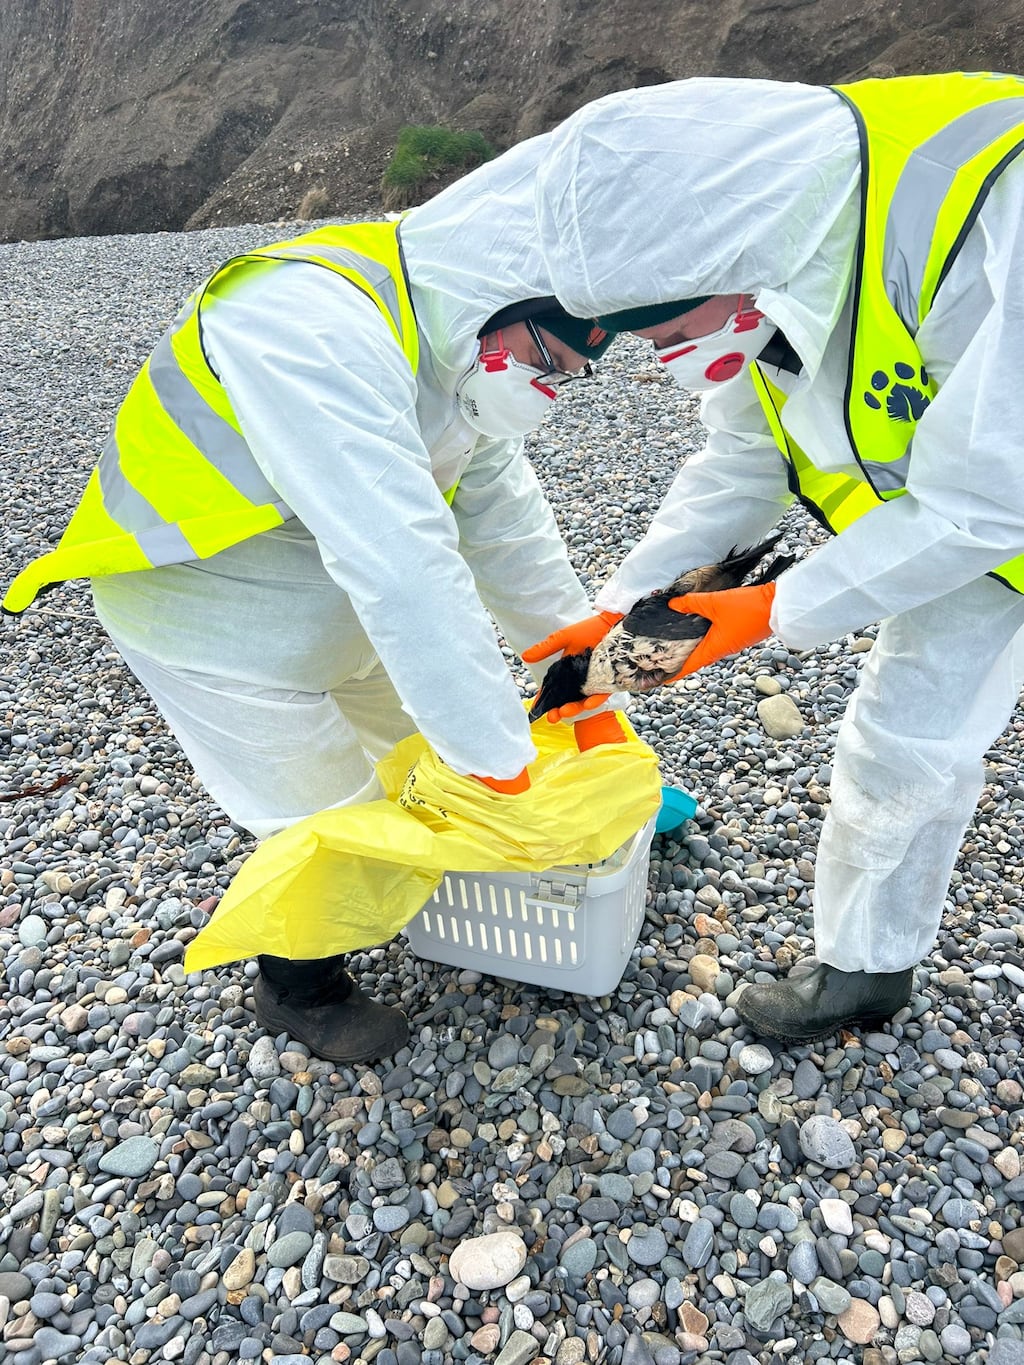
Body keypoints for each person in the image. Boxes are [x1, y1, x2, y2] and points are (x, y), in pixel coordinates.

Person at [2, 137, 625, 1064]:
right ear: (504, 299)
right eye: (553, 360)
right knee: (324, 820)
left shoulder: (462, 355)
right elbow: (402, 559)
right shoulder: (300, 317)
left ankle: (446, 899)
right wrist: (501, 755)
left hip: (332, 615)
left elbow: (508, 532)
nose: (555, 388)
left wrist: (586, 690)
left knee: (419, 769)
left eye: (575, 375)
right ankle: (298, 986)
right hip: (210, 620)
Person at [524, 72, 1024, 1044]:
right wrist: (625, 602)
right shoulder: (774, 254)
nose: (664, 352)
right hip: (980, 529)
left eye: (664, 325)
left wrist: (771, 609)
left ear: (723, 253)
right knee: (902, 739)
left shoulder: (984, 209)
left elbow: (987, 502)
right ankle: (865, 971)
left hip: (988, 509)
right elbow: (741, 463)